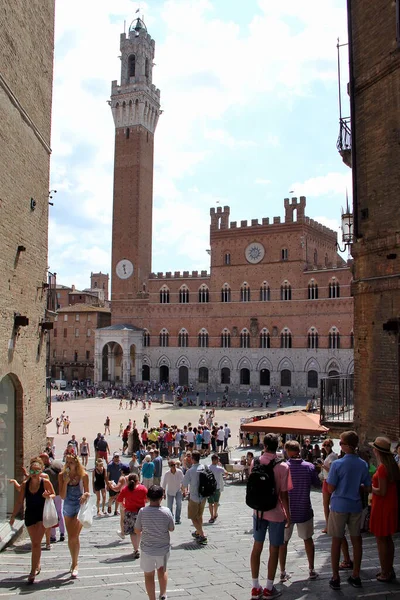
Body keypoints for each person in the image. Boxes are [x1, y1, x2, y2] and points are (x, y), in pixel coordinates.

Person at [249, 433, 292, 600]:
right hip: (276, 512)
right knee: (274, 549)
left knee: (256, 547)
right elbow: (284, 494)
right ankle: (268, 587)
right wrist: (288, 514)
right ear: (279, 445)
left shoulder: (256, 462)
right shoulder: (283, 466)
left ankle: (254, 587)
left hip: (258, 511)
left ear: (264, 445)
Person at [327, 430, 371, 590]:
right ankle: (356, 575)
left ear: (347, 446)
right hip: (355, 505)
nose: (339, 445)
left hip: (339, 505)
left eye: (341, 443)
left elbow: (331, 488)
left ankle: (335, 577)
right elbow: (367, 486)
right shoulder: (362, 464)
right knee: (356, 540)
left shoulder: (337, 464)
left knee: (336, 541)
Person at [279, 440, 320, 583]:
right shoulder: (309, 467)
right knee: (308, 540)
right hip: (304, 509)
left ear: (287, 451)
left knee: (283, 542)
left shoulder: (283, 467)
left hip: (286, 511)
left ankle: (283, 572)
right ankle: (311, 569)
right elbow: (317, 484)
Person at [9, 457, 55, 584]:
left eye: (37, 471)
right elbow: (19, 501)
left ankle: (32, 571)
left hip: (42, 515)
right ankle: (37, 563)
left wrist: (47, 495)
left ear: (41, 471)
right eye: (32, 471)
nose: (34, 474)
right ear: (29, 472)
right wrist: (13, 516)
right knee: (34, 542)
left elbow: (53, 494)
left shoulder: (45, 482)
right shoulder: (25, 484)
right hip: (30, 515)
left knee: (36, 543)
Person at [134, 485, 175, 600]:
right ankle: (163, 594)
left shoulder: (143, 511)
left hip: (147, 549)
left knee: (148, 575)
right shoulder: (166, 511)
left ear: (147, 498)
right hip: (163, 549)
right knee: (162, 571)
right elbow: (171, 528)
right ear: (162, 497)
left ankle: (152, 598)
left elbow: (137, 529)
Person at [369, 436, 400, 582]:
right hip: (390, 505)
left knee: (381, 540)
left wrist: (369, 488)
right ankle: (389, 569)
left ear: (377, 451)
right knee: (388, 540)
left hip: (382, 507)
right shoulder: (393, 465)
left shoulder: (382, 469)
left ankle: (385, 571)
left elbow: (381, 491)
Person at [58, 454, 90, 579]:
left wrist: (84, 495)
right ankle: (73, 560)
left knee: (74, 536)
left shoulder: (84, 475)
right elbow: (62, 496)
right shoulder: (62, 476)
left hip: (79, 506)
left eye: (71, 462)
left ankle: (75, 564)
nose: (69, 464)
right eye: (67, 462)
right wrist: (65, 483)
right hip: (68, 506)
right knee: (70, 537)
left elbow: (87, 492)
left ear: (76, 463)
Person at [117, 473, 148, 557]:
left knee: (132, 532)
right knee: (139, 531)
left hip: (129, 513)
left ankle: (135, 549)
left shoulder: (125, 489)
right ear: (138, 481)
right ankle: (138, 547)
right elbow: (148, 499)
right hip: (140, 512)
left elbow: (119, 499)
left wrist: (124, 504)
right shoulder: (142, 488)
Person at [182, 450, 207, 545]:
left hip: (194, 497)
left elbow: (184, 484)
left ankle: (202, 535)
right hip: (203, 496)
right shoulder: (204, 467)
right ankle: (198, 532)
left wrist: (182, 491)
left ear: (192, 459)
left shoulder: (190, 471)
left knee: (193, 517)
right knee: (199, 516)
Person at [43, 458, 65, 543]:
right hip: (58, 493)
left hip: (52, 494)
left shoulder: (47, 471)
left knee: (52, 513)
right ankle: (62, 533)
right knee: (59, 512)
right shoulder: (57, 467)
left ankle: (53, 535)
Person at [320, 439, 338, 533]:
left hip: (329, 481)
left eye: (328, 445)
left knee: (327, 504)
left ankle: (329, 525)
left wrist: (322, 466)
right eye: (325, 445)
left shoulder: (332, 456)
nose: (326, 447)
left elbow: (332, 471)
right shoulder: (329, 456)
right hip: (326, 480)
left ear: (331, 446)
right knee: (326, 504)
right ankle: (329, 525)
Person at [162, 459, 184, 525]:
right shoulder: (167, 474)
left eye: (174, 465)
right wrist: (164, 493)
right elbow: (164, 484)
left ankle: (177, 518)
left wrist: (184, 490)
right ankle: (171, 519)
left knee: (179, 504)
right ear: (169, 466)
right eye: (172, 465)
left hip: (178, 490)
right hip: (170, 491)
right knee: (169, 506)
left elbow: (183, 482)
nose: (174, 466)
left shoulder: (179, 472)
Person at [208, 454, 225, 523]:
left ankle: (211, 516)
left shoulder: (207, 467)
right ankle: (215, 513)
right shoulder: (219, 468)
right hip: (217, 487)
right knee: (216, 502)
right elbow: (226, 473)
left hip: (209, 488)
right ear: (215, 460)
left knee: (210, 503)